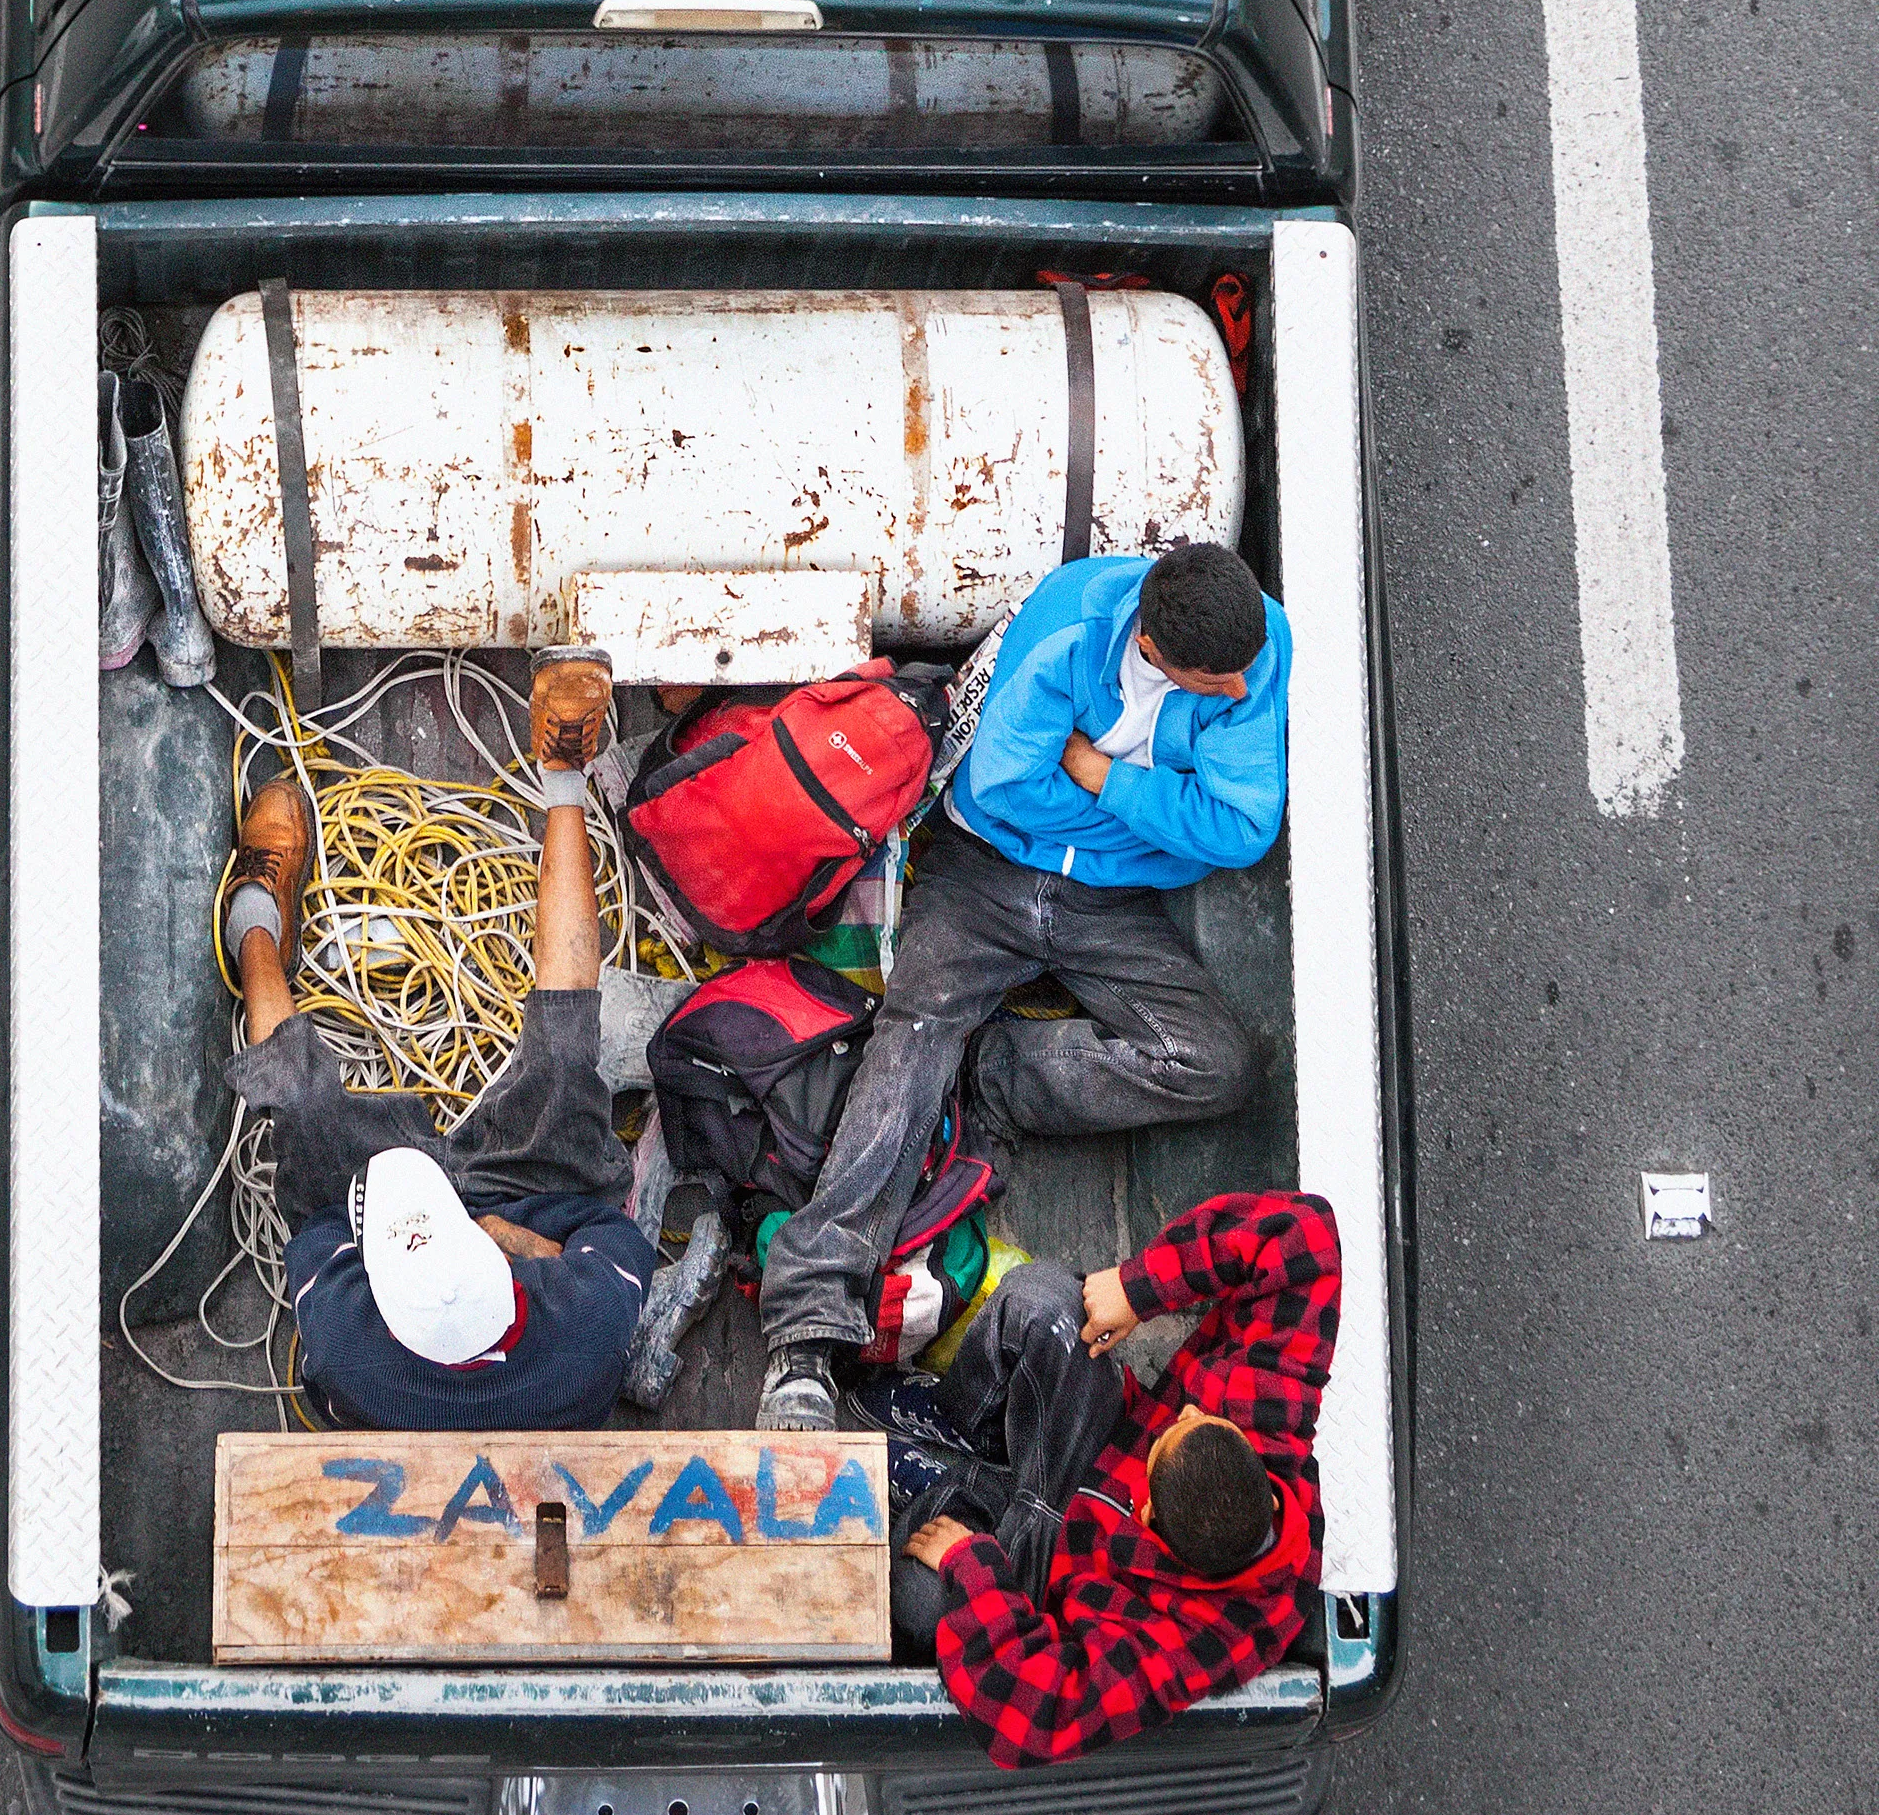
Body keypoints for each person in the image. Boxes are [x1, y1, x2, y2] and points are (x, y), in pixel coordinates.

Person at [758, 538, 1288, 1427]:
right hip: (986, 869)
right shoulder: (1070, 631)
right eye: (1214, 681)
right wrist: (1160, 807)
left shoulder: (1254, 645)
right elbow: (1005, 791)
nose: (1238, 695)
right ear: (1155, 650)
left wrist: (1100, 775)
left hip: (1112, 896)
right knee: (910, 1037)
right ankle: (807, 1329)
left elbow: (1239, 829)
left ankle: (996, 1073)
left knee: (1219, 1066)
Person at [225, 655, 654, 1429]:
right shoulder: (587, 1325)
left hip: (433, 1230)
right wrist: (511, 1238)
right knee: (565, 1045)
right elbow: (611, 1230)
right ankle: (565, 777)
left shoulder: (348, 1340)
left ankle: (254, 917)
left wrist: (412, 1228)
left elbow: (324, 1228)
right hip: (530, 1202)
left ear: (384, 1304)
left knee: (299, 1100)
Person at [890, 1189, 1341, 1764]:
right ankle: (968, 1428)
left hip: (1044, 1567)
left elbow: (1033, 1720)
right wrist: (1139, 1288)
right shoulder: (1264, 1431)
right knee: (1039, 1300)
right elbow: (1303, 1233)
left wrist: (971, 1568)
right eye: (1196, 1421)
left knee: (923, 1604)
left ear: (1146, 1514)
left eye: (1174, 1434)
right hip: (1092, 1449)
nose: (1186, 1412)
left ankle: (951, 1481)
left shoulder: (1206, 1640)